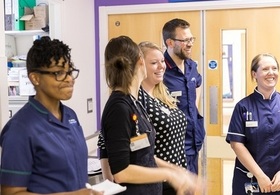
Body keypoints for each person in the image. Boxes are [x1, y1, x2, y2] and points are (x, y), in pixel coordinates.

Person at [0, 36, 103, 195]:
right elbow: (11, 193)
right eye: (59, 73)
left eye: (69, 71)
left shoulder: (70, 116)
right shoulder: (20, 129)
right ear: (35, 78)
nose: (69, 79)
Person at [99, 35, 199, 195]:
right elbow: (121, 172)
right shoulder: (119, 107)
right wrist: (168, 174)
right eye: (153, 62)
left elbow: (144, 155)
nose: (161, 66)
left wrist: (176, 171)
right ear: (140, 61)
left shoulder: (133, 102)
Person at [226, 53, 280, 194]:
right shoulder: (243, 107)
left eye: (274, 68)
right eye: (265, 69)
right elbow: (236, 144)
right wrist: (260, 175)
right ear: (254, 74)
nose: (271, 73)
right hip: (250, 178)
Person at [138, 41, 187, 195]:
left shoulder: (162, 94)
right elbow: (136, 152)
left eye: (162, 61)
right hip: (156, 181)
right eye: (154, 63)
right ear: (140, 65)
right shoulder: (136, 100)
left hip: (177, 179)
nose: (161, 67)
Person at [162, 18, 205, 174]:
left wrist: (194, 107)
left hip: (193, 142)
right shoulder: (160, 70)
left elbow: (198, 83)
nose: (190, 43)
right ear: (170, 43)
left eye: (191, 39)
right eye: (185, 40)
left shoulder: (191, 65)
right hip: (172, 148)